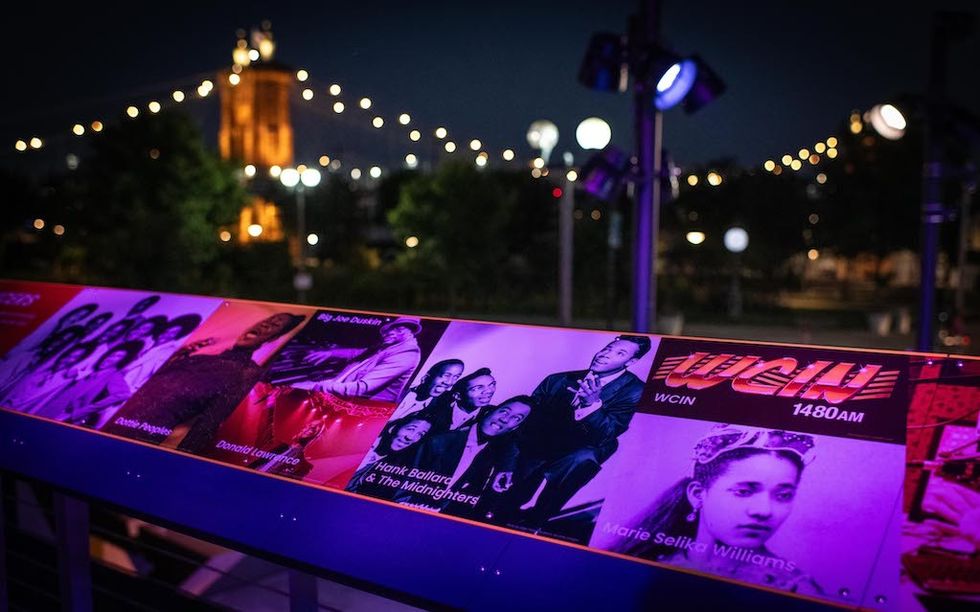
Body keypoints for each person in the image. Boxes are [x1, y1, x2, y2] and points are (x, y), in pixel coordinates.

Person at [611, 424, 822, 595]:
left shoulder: (795, 590)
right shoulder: (641, 560)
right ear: (697, 494)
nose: (764, 511)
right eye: (744, 491)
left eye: (783, 495)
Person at [104, 312, 306, 453]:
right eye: (268, 319)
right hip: (109, 426)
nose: (265, 325)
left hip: (135, 443)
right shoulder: (199, 358)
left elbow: (207, 427)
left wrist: (181, 463)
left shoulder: (246, 373)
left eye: (274, 325)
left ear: (274, 337)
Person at [504, 335, 651, 527]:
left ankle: (540, 516)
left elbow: (608, 433)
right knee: (510, 500)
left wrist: (591, 406)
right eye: (608, 348)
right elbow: (523, 423)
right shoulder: (558, 379)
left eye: (619, 353)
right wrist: (507, 462)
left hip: (585, 447)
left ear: (631, 362)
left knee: (583, 457)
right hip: (544, 443)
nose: (605, 355)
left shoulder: (635, 390)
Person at [395, 396, 535, 516]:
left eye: (516, 418)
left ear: (515, 427)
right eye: (504, 411)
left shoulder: (494, 457)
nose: (505, 419)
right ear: (491, 410)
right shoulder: (440, 441)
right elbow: (403, 487)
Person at [298, 317, 423, 403]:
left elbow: (361, 388)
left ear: (410, 332)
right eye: (389, 329)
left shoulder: (407, 353)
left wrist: (320, 386)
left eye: (398, 329)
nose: (389, 333)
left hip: (362, 406)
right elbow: (358, 353)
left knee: (297, 391)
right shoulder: (390, 346)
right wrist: (331, 353)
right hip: (344, 391)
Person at [42, 341, 144, 427]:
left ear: (123, 360)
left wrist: (81, 412)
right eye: (112, 354)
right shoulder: (93, 370)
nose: (111, 357)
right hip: (51, 407)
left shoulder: (114, 375)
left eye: (118, 356)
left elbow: (123, 395)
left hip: (62, 415)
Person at [346, 413, 436, 494]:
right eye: (410, 429)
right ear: (393, 428)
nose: (410, 437)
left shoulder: (389, 468)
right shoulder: (361, 441)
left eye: (420, 434)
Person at [122, 314, 203, 390]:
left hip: (127, 390)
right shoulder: (147, 341)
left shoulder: (169, 352)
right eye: (167, 330)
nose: (167, 334)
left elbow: (155, 378)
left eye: (173, 333)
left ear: (179, 335)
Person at [417, 368, 497, 434]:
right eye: (478, 388)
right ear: (457, 396)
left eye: (492, 384)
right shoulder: (433, 410)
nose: (489, 391)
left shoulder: (493, 416)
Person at [247, 417, 327, 479]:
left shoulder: (304, 466)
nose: (309, 428)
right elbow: (266, 430)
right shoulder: (279, 445)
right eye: (309, 425)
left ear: (316, 435)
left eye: (314, 428)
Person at [389, 359, 465, 421]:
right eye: (446, 375)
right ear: (425, 378)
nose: (449, 382)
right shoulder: (399, 391)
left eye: (456, 377)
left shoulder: (436, 408)